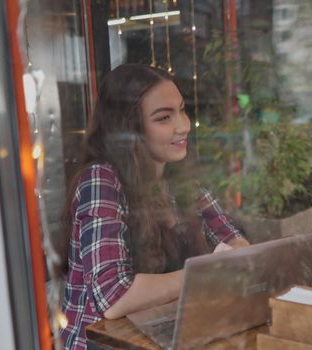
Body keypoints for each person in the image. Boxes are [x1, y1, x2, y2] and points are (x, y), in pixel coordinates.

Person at [58, 64, 249, 350]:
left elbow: (237, 243)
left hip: (162, 334)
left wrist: (234, 259)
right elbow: (114, 296)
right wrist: (205, 275)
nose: (183, 125)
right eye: (164, 118)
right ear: (129, 129)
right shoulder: (101, 180)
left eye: (182, 110)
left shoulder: (181, 181)